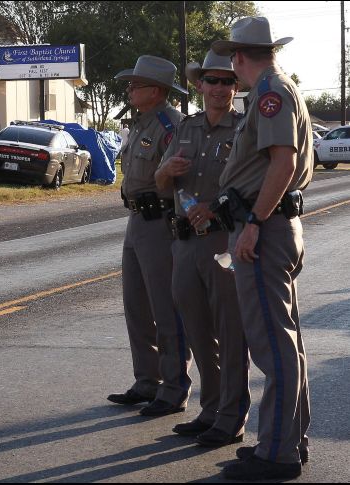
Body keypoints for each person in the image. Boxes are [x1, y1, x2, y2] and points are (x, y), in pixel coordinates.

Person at [211, 16, 312, 480]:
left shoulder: (272, 93)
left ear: (237, 58)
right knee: (284, 341)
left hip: (265, 230)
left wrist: (254, 222)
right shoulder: (275, 89)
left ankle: (278, 453)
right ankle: (287, 440)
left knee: (273, 345)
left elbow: (282, 162)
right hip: (270, 227)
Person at [155, 50, 250, 448]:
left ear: (235, 86)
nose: (219, 88)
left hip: (222, 240)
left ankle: (231, 417)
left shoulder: (245, 128)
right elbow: (162, 185)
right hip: (184, 243)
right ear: (199, 85)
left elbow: (252, 186)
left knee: (229, 332)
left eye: (227, 81)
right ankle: (210, 409)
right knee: (196, 330)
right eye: (212, 80)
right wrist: (164, 172)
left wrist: (216, 207)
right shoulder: (185, 128)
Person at [108, 55, 193, 417]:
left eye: (135, 84)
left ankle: (174, 388)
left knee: (165, 308)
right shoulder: (141, 123)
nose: (129, 89)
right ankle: (147, 381)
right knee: (136, 307)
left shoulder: (170, 124)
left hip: (160, 222)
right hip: (136, 220)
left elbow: (181, 180)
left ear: (155, 91)